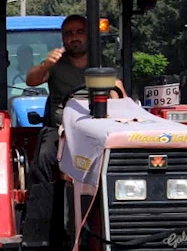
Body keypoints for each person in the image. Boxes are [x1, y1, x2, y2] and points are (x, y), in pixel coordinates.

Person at [24, 14, 126, 187]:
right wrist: (45, 64)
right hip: (61, 129)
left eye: (80, 32)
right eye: (69, 34)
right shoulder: (55, 65)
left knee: (118, 153)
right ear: (63, 38)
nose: (74, 37)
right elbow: (31, 80)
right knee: (44, 155)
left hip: (99, 126)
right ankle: (44, 199)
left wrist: (120, 116)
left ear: (89, 35)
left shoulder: (103, 63)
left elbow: (117, 91)